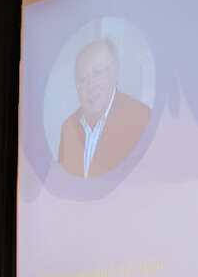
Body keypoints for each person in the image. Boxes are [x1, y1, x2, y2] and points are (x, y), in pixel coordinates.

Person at [57, 38, 150, 179]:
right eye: (82, 79)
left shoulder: (141, 118)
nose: (90, 85)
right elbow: (62, 184)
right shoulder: (68, 128)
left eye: (97, 73)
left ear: (115, 73)